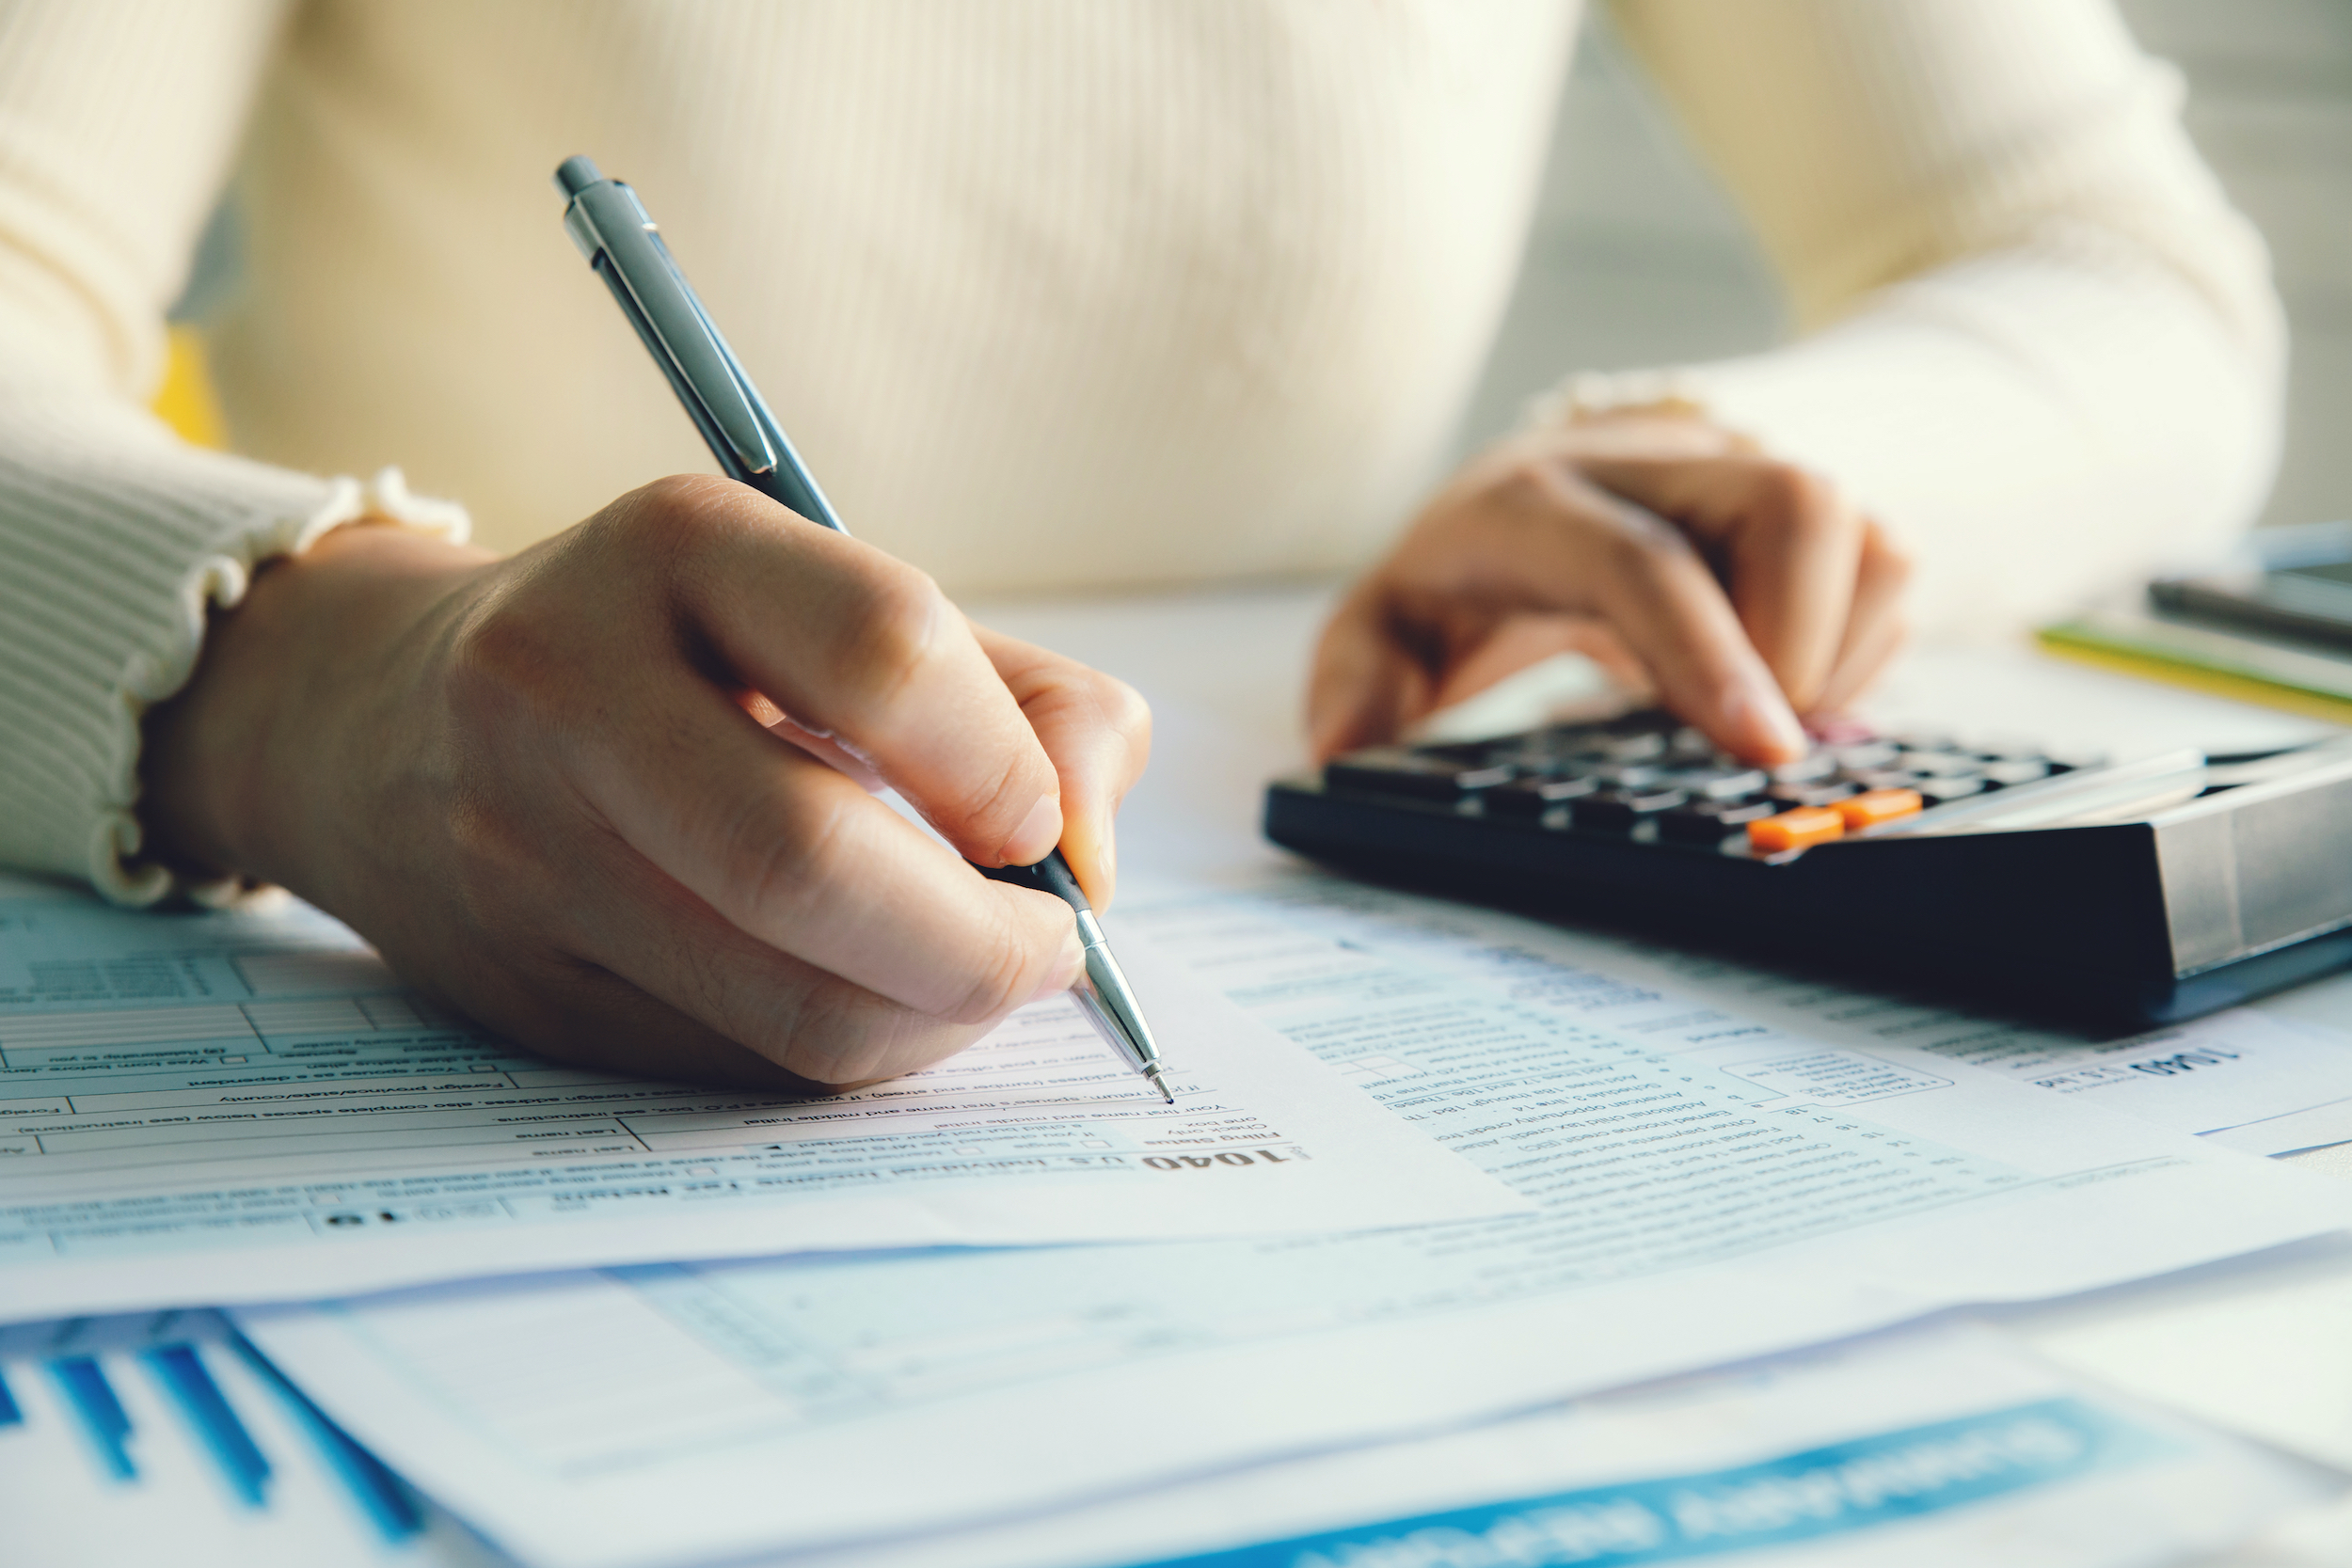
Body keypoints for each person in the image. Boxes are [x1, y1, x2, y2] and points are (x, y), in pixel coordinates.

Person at [0, 1, 2280, 1088]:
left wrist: (1729, 458)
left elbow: (2122, 278)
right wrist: (321, 682)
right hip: (363, 936)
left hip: (1298, 859)